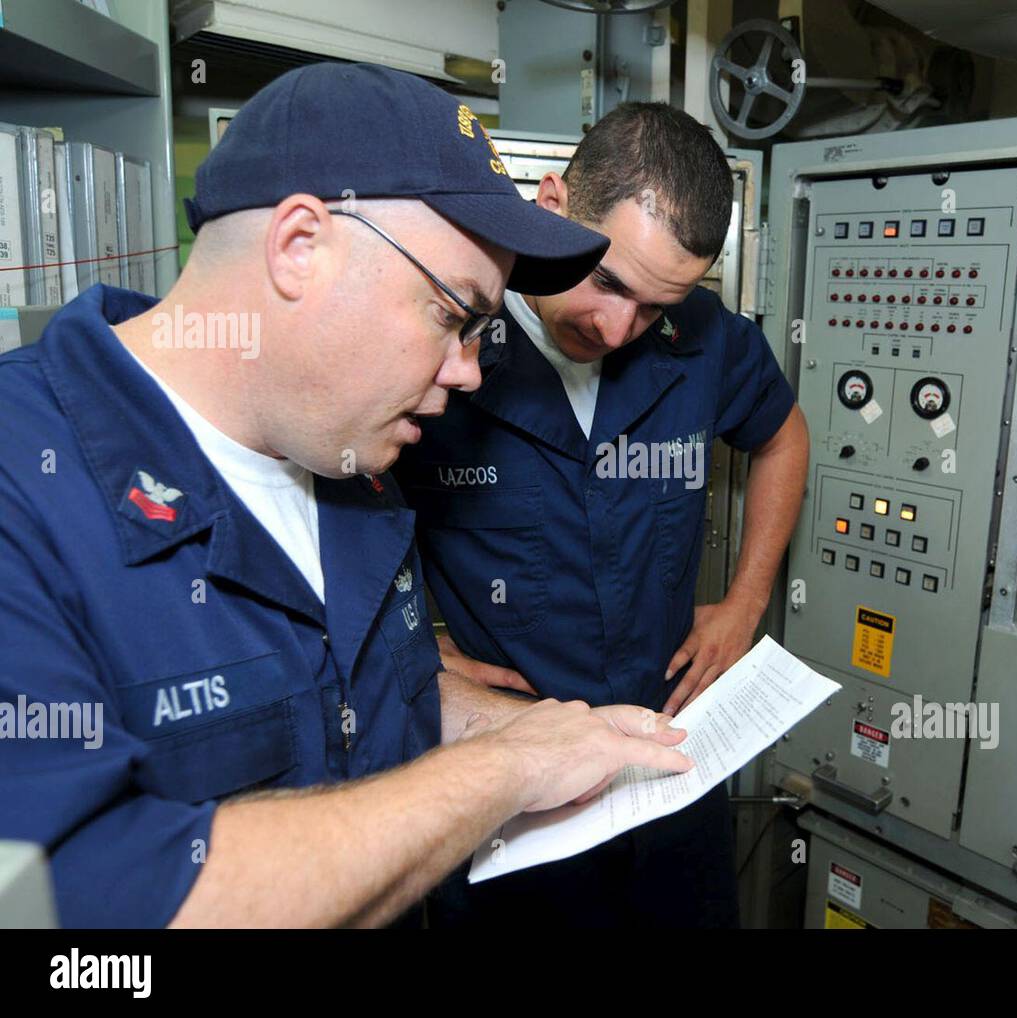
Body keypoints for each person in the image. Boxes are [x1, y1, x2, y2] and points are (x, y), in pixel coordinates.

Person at [0, 63, 693, 929]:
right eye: (453, 316)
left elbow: (359, 697)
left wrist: (532, 731)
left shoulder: (348, 458)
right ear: (300, 247)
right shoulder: (24, 487)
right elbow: (83, 911)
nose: (471, 373)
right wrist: (500, 774)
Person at [395, 102, 810, 928]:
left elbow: (784, 436)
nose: (619, 328)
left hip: (668, 773)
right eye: (608, 280)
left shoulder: (706, 343)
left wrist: (746, 599)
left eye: (658, 306)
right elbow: (341, 497)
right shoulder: (441, 350)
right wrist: (407, 654)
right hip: (515, 804)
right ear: (551, 206)